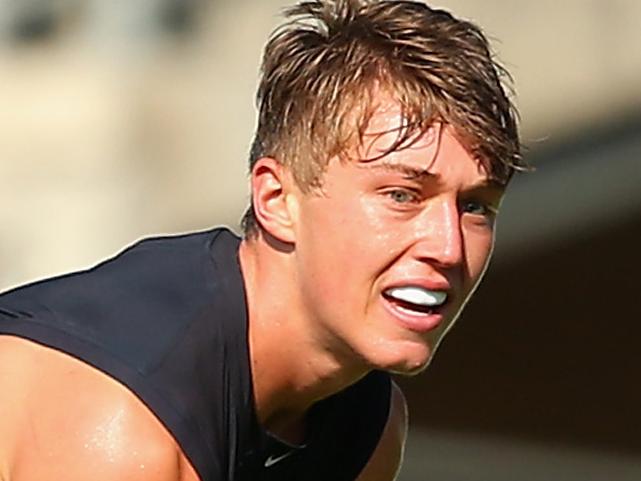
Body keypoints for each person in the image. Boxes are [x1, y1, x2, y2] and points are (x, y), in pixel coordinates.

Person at [0, 1, 525, 480]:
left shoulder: (367, 426)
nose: (449, 246)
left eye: (475, 206)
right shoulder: (122, 421)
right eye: (401, 195)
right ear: (277, 200)